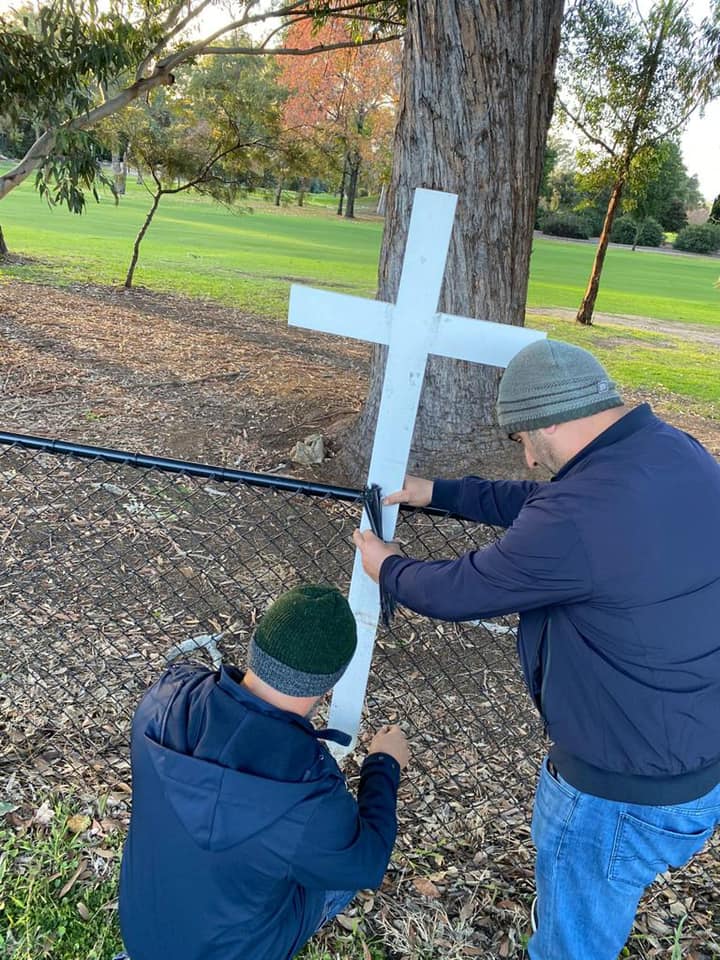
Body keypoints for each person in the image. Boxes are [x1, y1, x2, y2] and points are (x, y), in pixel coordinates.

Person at [353, 339, 720, 960]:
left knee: (573, 944)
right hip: (691, 763)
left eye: (523, 436)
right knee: (599, 911)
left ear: (551, 416)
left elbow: (462, 589)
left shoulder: (581, 513)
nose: (526, 456)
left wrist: (386, 566)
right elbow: (542, 507)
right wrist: (437, 491)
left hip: (614, 791)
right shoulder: (671, 453)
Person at [117, 583, 409, 960]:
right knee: (339, 872)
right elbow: (366, 864)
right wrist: (384, 766)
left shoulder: (164, 700)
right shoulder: (310, 797)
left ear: (256, 645)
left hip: (144, 937)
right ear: (332, 681)